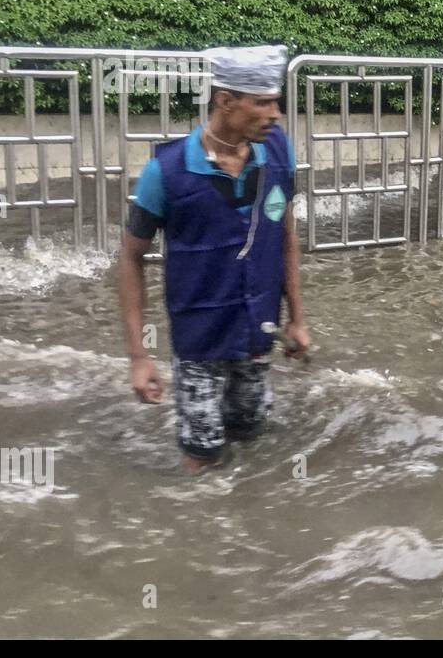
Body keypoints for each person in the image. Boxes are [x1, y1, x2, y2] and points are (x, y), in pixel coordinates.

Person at [117, 45, 311, 473]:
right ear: (226, 101)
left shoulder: (278, 154)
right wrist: (138, 356)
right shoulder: (165, 172)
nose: (275, 114)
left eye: (275, 101)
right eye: (262, 102)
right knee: (201, 458)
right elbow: (130, 258)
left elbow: (285, 236)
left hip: (257, 332)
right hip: (199, 341)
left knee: (251, 438)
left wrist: (297, 318)